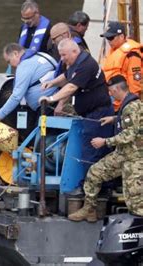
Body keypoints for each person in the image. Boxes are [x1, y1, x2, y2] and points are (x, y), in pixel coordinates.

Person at [40, 39, 114, 186]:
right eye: (60, 55)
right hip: (89, 113)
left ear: (74, 51)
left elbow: (71, 87)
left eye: (64, 55)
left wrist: (51, 98)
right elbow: (67, 76)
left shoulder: (86, 65)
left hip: (98, 114)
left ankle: (92, 189)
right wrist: (52, 82)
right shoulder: (76, 62)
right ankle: (92, 186)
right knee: (89, 150)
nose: (62, 59)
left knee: (91, 152)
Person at [68, 75, 142, 222]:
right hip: (122, 154)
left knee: (135, 201)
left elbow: (131, 133)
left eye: (111, 91)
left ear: (116, 89)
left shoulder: (131, 106)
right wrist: (114, 119)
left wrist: (105, 141)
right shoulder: (130, 104)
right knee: (95, 173)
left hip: (135, 157)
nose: (110, 94)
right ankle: (89, 209)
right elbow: (132, 121)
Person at [0, 43, 57, 126]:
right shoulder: (41, 55)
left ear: (15, 53)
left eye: (9, 61)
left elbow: (16, 96)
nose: (10, 65)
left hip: (47, 106)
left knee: (40, 138)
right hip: (54, 101)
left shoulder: (24, 66)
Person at [101, 21, 142, 111]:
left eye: (111, 37)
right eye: (107, 38)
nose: (108, 41)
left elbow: (135, 83)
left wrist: (130, 105)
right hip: (112, 99)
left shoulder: (132, 54)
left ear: (122, 36)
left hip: (123, 103)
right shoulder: (114, 51)